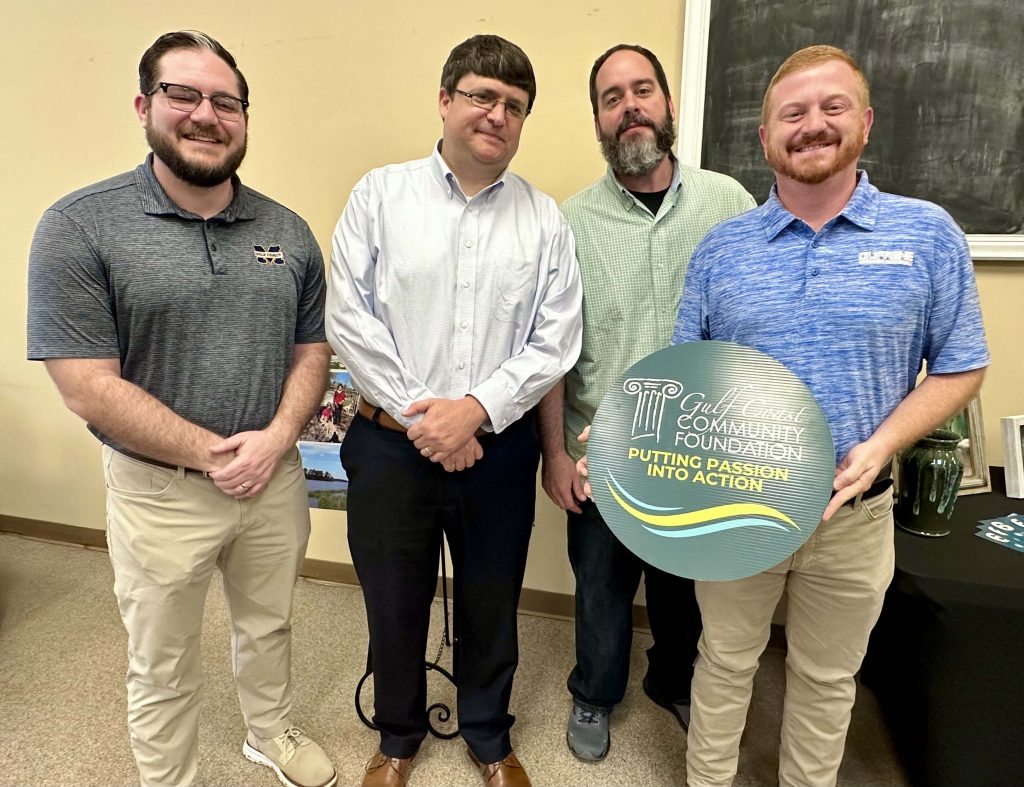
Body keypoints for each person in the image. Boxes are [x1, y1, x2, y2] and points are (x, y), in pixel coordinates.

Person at [671, 45, 989, 787]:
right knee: (724, 661)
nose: (812, 124)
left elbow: (962, 364)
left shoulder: (926, 235)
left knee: (826, 678)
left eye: (832, 106)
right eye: (793, 113)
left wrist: (882, 445)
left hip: (856, 517)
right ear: (766, 137)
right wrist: (628, 439)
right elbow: (686, 377)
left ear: (865, 123)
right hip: (738, 509)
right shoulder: (722, 250)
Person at [26, 30, 336, 787]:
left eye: (226, 102)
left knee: (269, 624)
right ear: (144, 106)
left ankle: (269, 730)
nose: (206, 115)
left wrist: (276, 440)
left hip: (274, 478)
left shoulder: (287, 232)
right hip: (159, 491)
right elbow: (86, 384)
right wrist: (215, 454)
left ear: (245, 118)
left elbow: (311, 351)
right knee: (161, 658)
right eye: (183, 94)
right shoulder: (80, 226)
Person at [327, 34, 582, 787]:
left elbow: (555, 339)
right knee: (393, 601)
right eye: (482, 96)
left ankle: (488, 735)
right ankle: (397, 736)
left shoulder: (544, 220)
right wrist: (428, 420)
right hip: (388, 446)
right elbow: (349, 318)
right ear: (445, 101)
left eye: (515, 106)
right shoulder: (379, 196)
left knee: (490, 600)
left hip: (496, 452)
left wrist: (474, 411)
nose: (497, 115)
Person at [537, 44, 755, 762]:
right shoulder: (568, 224)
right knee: (600, 590)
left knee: (684, 589)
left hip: (697, 451)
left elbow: (750, 329)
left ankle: (672, 680)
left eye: (641, 91)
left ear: (667, 103)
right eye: (611, 97)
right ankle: (595, 691)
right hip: (600, 453)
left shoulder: (730, 205)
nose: (629, 106)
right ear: (598, 120)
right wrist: (555, 455)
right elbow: (552, 355)